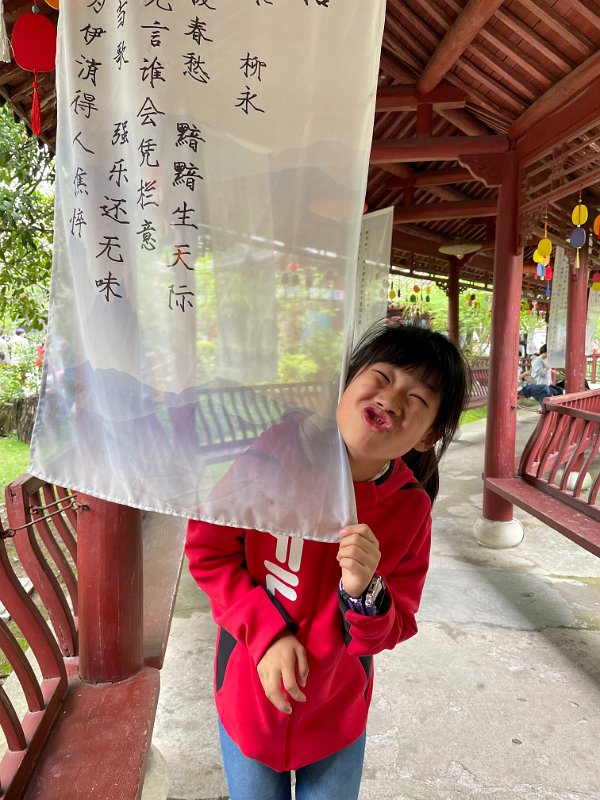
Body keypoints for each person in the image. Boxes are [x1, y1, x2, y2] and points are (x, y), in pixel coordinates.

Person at [185, 322, 471, 800]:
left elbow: (394, 625)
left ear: (428, 436)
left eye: (417, 398)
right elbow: (208, 551)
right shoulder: (274, 456)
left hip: (336, 717)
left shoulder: (409, 508)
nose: (391, 399)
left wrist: (364, 592)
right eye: (381, 376)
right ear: (346, 383)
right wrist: (267, 635)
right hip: (249, 699)